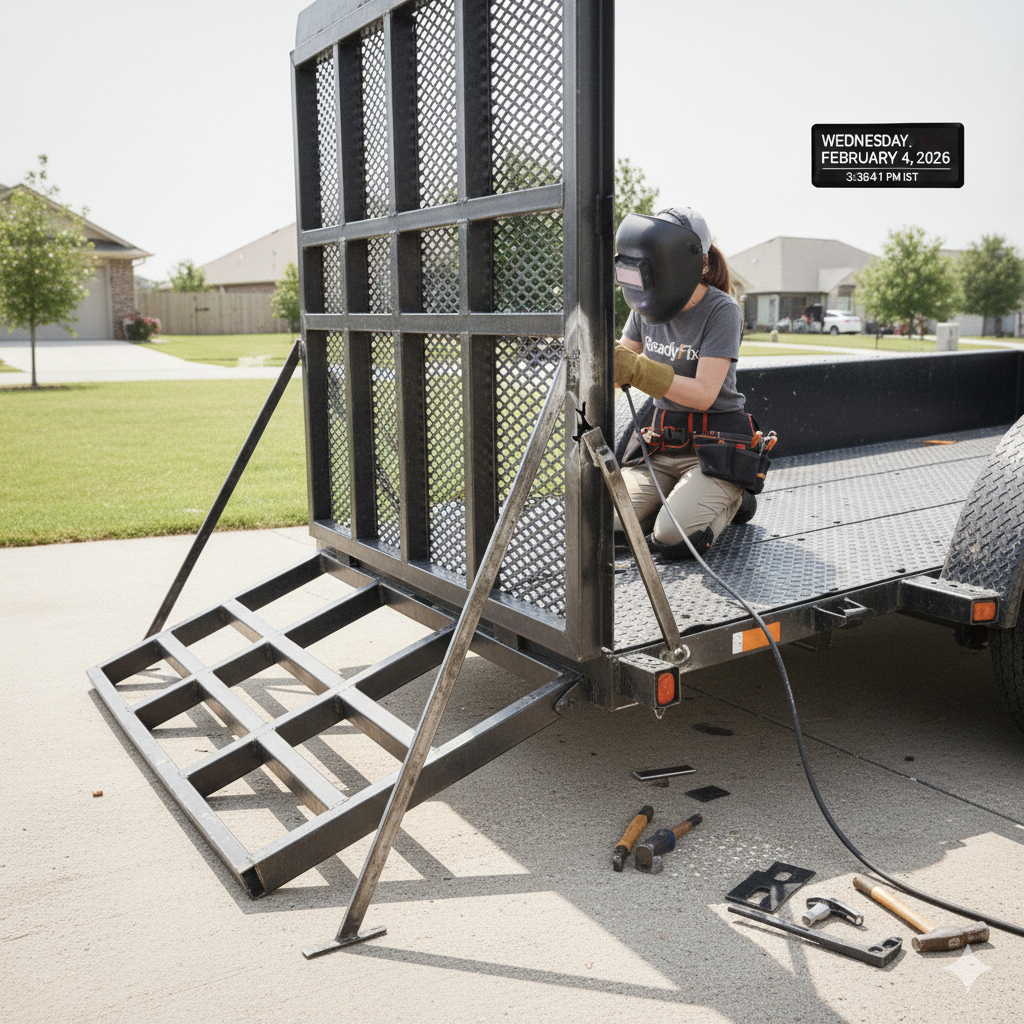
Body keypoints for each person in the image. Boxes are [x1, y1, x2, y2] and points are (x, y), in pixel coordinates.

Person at [613, 207, 757, 560]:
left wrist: (637, 369)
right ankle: (685, 499)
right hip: (662, 446)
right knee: (611, 526)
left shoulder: (722, 310)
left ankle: (736, 496)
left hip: (712, 447)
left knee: (672, 538)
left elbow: (704, 395)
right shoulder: (645, 305)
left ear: (699, 263)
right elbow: (621, 369)